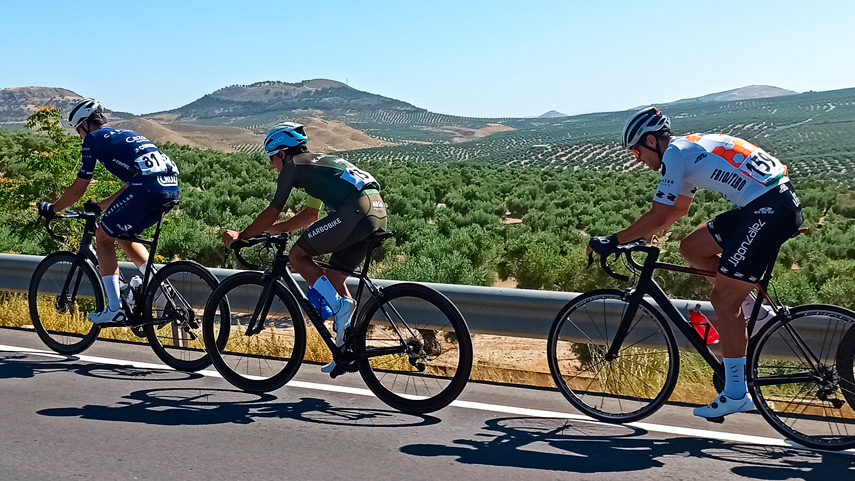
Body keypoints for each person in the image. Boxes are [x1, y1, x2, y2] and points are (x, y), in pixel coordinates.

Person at [588, 106, 803, 419]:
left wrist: (613, 240)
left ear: (650, 142)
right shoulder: (684, 152)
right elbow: (677, 211)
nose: (637, 159)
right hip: (769, 203)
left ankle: (735, 392)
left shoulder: (674, 154)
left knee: (722, 301)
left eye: (636, 150)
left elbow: (661, 214)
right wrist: (641, 235)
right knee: (692, 248)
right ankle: (751, 311)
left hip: (769, 208)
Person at [221, 122, 387, 373]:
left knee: (298, 256)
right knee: (333, 277)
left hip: (355, 211)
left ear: (282, 153)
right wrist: (273, 230)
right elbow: (311, 214)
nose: (271, 165)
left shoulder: (293, 168)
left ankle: (342, 308)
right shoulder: (319, 165)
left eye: (271, 158)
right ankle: (346, 349)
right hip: (375, 212)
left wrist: (242, 236)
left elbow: (272, 211)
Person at [39, 98, 179, 324]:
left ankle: (115, 308)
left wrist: (54, 209)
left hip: (147, 188)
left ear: (85, 124)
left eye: (78, 130)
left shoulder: (93, 140)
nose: (79, 136)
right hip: (169, 189)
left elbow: (79, 189)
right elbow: (131, 184)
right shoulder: (126, 134)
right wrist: (101, 205)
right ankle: (159, 288)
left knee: (103, 238)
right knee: (123, 235)